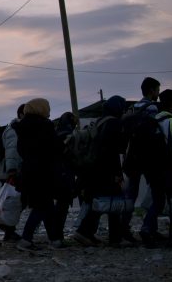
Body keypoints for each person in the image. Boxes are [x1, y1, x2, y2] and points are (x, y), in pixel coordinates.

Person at [73, 96, 127, 247]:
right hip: (106, 170)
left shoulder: (99, 121)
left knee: (100, 201)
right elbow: (111, 151)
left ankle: (86, 232)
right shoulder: (113, 123)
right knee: (113, 202)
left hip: (93, 169)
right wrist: (117, 173)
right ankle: (113, 237)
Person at [140, 89, 172, 247]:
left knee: (157, 202)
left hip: (153, 170)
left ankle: (147, 228)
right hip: (169, 169)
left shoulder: (152, 121)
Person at [14, 98, 63, 251]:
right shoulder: (45, 125)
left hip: (29, 172)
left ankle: (54, 239)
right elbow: (55, 148)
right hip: (44, 172)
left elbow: (21, 151)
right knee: (42, 206)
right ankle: (26, 240)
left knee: (46, 206)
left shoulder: (22, 127)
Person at [120, 76, 161, 242]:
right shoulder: (152, 108)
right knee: (157, 194)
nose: (158, 93)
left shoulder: (133, 108)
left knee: (131, 194)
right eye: (157, 90)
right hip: (149, 157)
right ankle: (148, 227)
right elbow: (155, 134)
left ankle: (123, 227)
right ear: (151, 90)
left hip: (133, 157)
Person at [0, 104, 25, 243]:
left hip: (9, 171)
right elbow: (12, 151)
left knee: (13, 201)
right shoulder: (14, 129)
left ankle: (9, 231)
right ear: (21, 115)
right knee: (12, 202)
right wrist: (12, 171)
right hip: (9, 172)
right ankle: (9, 230)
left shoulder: (16, 128)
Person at [53, 111, 78, 242]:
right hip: (65, 175)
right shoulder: (68, 136)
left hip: (56, 174)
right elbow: (71, 156)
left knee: (58, 206)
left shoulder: (56, 133)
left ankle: (56, 234)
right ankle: (57, 235)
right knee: (62, 206)